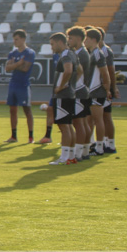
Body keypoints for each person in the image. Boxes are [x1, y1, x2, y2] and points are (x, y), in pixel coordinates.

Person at [47, 32, 77, 165]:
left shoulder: (65, 55)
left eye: (53, 44)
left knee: (64, 126)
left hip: (63, 95)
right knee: (68, 125)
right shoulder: (71, 53)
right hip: (70, 94)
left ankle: (64, 157)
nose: (52, 47)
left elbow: (69, 71)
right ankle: (71, 156)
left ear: (60, 42)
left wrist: (60, 86)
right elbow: (79, 70)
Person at [4, 29, 36, 143]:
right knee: (12, 110)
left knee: (27, 110)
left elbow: (25, 68)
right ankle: (13, 136)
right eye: (14, 39)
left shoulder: (29, 53)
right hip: (13, 84)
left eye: (16, 39)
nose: (14, 41)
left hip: (23, 84)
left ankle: (30, 136)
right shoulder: (13, 53)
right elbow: (7, 68)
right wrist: (17, 64)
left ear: (23, 39)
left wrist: (13, 65)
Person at [84, 28, 111, 157]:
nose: (85, 41)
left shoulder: (97, 54)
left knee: (97, 119)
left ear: (93, 40)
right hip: (91, 92)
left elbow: (105, 73)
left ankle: (99, 148)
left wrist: (107, 89)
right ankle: (90, 145)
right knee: (89, 120)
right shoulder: (92, 53)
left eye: (87, 39)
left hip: (96, 91)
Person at [67, 26, 91, 161]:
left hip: (79, 91)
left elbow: (78, 72)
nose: (69, 41)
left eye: (70, 38)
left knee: (78, 123)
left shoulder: (80, 54)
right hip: (83, 90)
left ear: (79, 38)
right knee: (83, 122)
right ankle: (85, 151)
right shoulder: (83, 52)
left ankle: (78, 153)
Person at [99, 28, 119, 154]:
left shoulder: (105, 51)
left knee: (104, 116)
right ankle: (106, 143)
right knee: (101, 117)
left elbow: (110, 70)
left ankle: (108, 144)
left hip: (103, 88)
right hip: (99, 88)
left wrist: (112, 87)